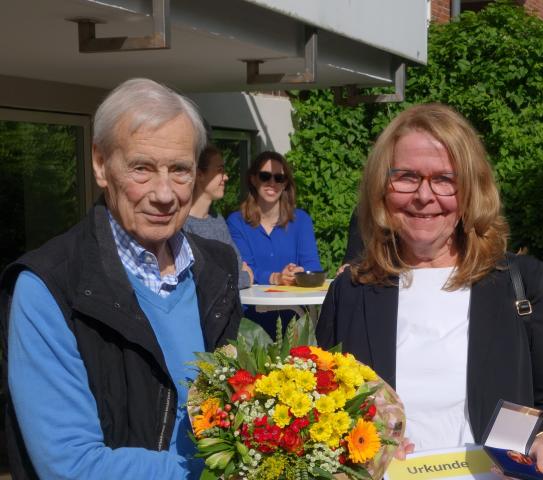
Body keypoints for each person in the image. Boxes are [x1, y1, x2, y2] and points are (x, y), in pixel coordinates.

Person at [316, 103, 543, 480]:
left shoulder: (520, 282)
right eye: (406, 177)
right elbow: (322, 412)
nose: (425, 196)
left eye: (445, 179)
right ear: (382, 186)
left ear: (471, 188)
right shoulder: (353, 291)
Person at [0, 78, 243, 479]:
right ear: (100, 164)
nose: (164, 194)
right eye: (142, 169)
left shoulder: (216, 268)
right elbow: (72, 467)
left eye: (180, 170)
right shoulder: (49, 287)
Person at [226, 150, 321, 287]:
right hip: (252, 306)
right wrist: (275, 278)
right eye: (265, 176)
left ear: (285, 184)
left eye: (279, 178)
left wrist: (298, 273)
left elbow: (313, 267)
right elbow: (243, 269)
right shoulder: (236, 222)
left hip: (292, 306)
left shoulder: (301, 220)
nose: (272, 183)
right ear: (253, 179)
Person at [184, 144, 253, 289]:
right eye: (220, 171)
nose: (226, 177)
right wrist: (246, 278)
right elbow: (204, 282)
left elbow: (237, 264)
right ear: (200, 175)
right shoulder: (182, 224)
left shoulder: (217, 220)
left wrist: (237, 274)